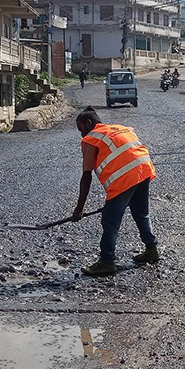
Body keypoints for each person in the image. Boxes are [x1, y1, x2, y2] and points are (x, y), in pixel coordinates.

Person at [72, 107, 160, 276]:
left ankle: (106, 261)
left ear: (89, 124)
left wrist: (79, 209)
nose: (82, 135)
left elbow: (86, 177)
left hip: (125, 176)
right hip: (144, 168)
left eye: (81, 129)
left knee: (110, 219)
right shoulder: (118, 128)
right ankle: (151, 249)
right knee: (141, 213)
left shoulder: (92, 138)